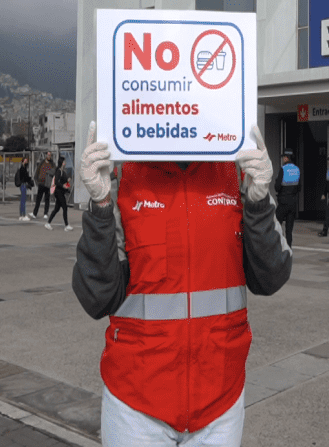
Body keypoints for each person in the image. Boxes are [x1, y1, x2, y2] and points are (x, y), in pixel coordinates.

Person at [72, 122, 291, 447]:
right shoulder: (124, 178)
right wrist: (101, 205)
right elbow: (97, 298)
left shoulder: (233, 173)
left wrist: (258, 204)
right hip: (136, 403)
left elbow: (271, 277)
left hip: (220, 401)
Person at [273, 148, 300, 245]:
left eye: (284, 157)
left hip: (283, 202)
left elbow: (277, 187)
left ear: (286, 158)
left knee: (276, 225)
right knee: (289, 229)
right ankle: (289, 248)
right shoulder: (297, 169)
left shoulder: (283, 169)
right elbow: (299, 187)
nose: (283, 159)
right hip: (293, 203)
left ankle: (277, 246)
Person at [45, 157, 72, 231]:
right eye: (64, 161)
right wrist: (63, 185)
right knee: (65, 207)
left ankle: (48, 223)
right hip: (58, 192)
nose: (65, 163)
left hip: (61, 192)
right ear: (61, 163)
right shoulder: (59, 171)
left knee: (56, 209)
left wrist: (67, 182)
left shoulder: (63, 171)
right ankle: (66, 226)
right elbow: (56, 182)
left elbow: (63, 181)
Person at [33, 151, 56, 220]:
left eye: (50, 155)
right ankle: (35, 213)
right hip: (41, 184)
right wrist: (36, 180)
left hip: (47, 184)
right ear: (46, 155)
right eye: (48, 155)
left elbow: (54, 171)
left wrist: (48, 172)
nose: (49, 156)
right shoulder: (42, 163)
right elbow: (37, 171)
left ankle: (45, 213)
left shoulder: (52, 164)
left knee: (47, 199)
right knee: (38, 199)